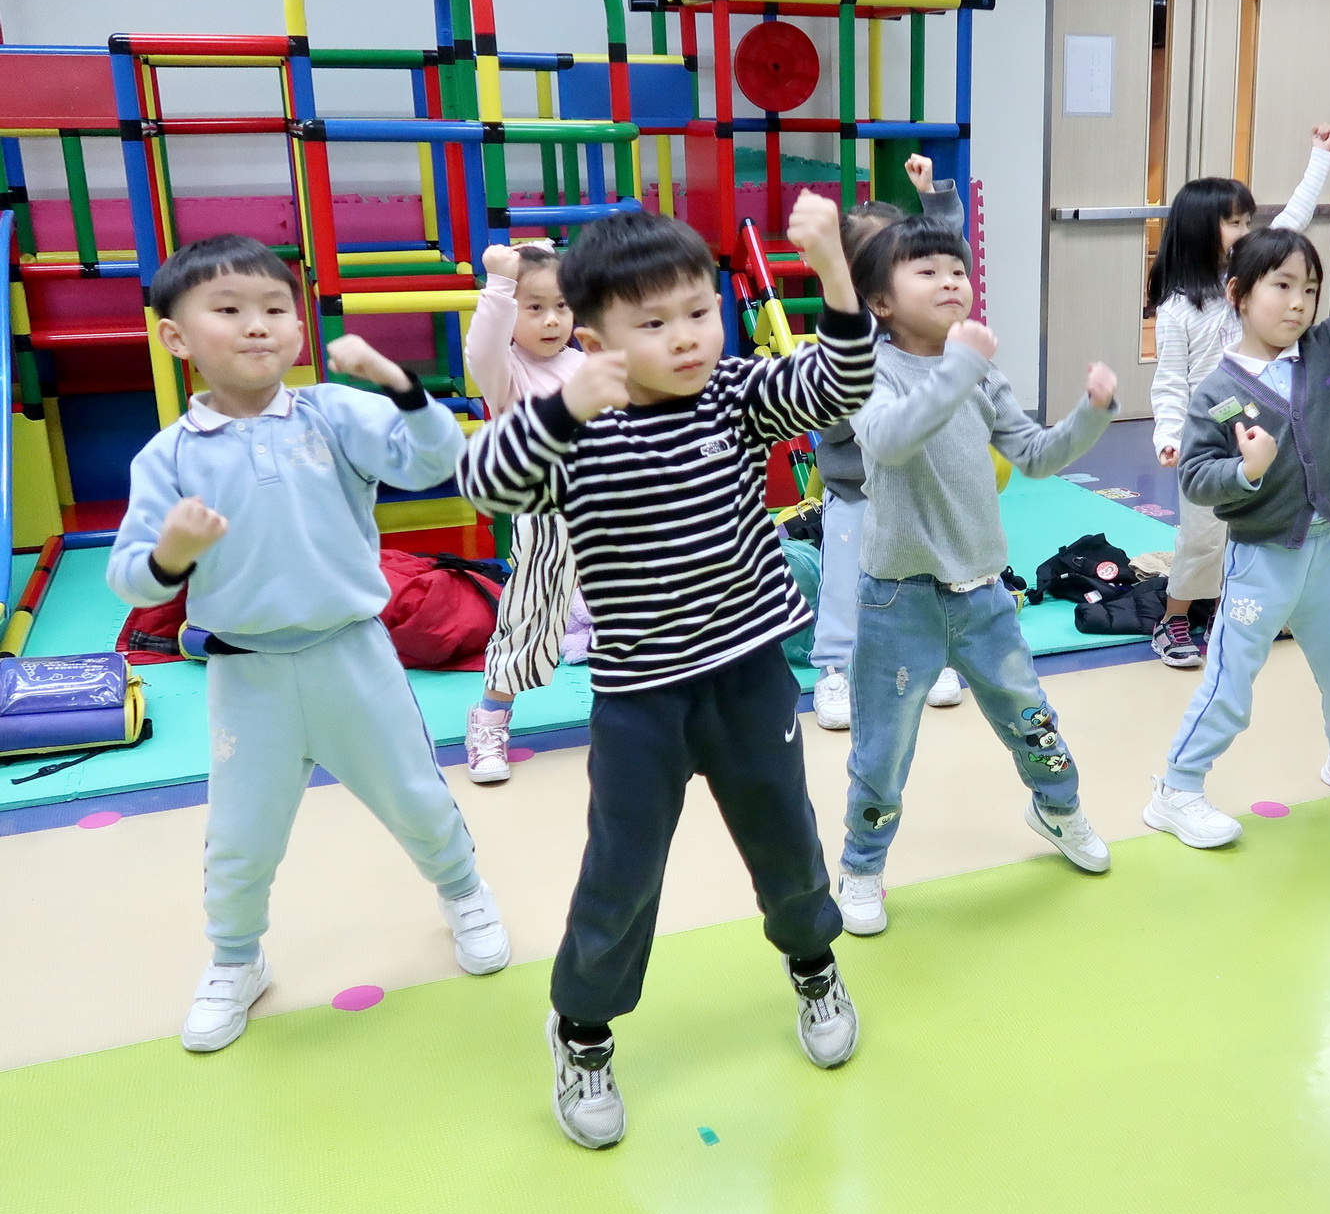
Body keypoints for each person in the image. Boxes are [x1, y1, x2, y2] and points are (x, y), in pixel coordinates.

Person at [459, 196, 874, 1150]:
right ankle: (583, 1028)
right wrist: (562, 407)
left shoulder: (731, 392)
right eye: (654, 323)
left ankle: (814, 965)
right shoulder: (574, 426)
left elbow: (838, 383)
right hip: (641, 697)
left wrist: (831, 269)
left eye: (698, 310)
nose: (687, 337)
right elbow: (486, 483)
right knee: (623, 868)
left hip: (749, 674)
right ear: (596, 340)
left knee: (785, 836)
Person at [106, 234, 511, 1054]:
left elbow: (436, 458)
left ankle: (465, 891)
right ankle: (236, 958)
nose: (257, 325)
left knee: (415, 795)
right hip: (247, 675)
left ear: (298, 327)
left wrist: (400, 384)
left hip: (352, 654)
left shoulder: (332, 412)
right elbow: (130, 580)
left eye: (275, 308)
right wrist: (171, 555)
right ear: (176, 336)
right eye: (228, 310)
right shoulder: (168, 455)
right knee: (241, 834)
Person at [831, 215, 1118, 936]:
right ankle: (862, 864)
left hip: (985, 594)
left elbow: (1037, 455)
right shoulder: (869, 370)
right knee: (883, 749)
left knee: (1032, 718)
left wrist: (1092, 413)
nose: (950, 280)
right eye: (927, 271)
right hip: (898, 600)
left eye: (957, 269)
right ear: (881, 301)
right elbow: (890, 441)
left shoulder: (982, 370)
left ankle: (1058, 809)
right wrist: (958, 366)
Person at [1142, 179, 1330, 849]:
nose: (1298, 302)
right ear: (1239, 294)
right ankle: (1176, 788)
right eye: (1282, 286)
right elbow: (1197, 477)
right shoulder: (1218, 390)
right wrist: (1247, 472)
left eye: (1310, 289)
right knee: (1231, 679)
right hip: (1263, 554)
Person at [1146, 125, 1330, 669]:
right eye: (1234, 222)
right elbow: (1170, 381)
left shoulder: (1249, 286)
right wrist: (1168, 435)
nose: (1246, 231)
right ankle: (1174, 617)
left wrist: (1320, 159)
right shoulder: (1178, 309)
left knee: (1258, 529)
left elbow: (1292, 222)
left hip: (1263, 427)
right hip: (1208, 436)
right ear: (1199, 230)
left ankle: (1240, 613)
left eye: (1247, 221)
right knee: (1202, 536)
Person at [811, 153, 968, 731]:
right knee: (846, 578)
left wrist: (934, 200)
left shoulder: (929, 332)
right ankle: (835, 667)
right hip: (858, 489)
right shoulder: (844, 340)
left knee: (934, 576)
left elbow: (947, 253)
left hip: (923, 489)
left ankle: (934, 659)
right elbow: (833, 416)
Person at [461, 239, 588, 782]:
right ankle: (490, 716)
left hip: (609, 506)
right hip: (546, 512)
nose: (551, 319)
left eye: (561, 306)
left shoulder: (584, 362)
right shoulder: (506, 372)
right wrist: (500, 283)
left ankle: (650, 711)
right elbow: (482, 347)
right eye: (534, 308)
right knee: (531, 611)